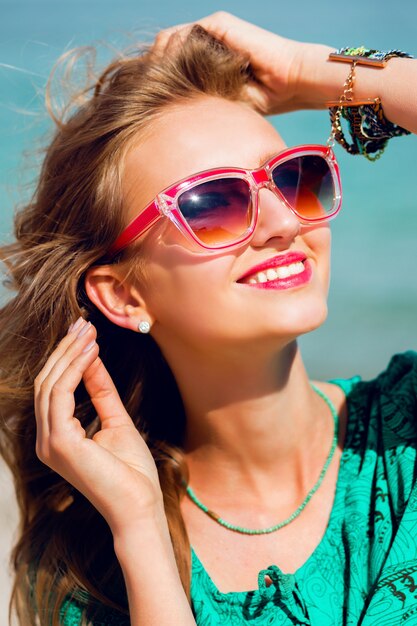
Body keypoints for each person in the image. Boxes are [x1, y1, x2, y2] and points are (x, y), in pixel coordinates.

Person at [0, 11, 416, 626]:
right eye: (214, 204)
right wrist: (141, 535)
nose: (284, 223)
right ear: (124, 296)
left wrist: (321, 73)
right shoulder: (93, 566)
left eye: (294, 179)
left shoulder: (404, 428)